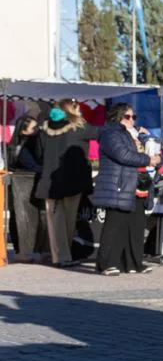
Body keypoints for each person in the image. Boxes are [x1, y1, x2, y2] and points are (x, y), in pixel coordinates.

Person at [91, 103, 160, 276]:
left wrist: (147, 139)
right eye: (128, 117)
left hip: (136, 185)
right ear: (118, 117)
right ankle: (106, 263)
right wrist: (147, 160)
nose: (132, 120)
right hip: (119, 185)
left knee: (136, 225)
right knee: (115, 225)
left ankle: (133, 262)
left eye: (133, 117)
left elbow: (153, 151)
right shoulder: (111, 134)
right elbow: (122, 155)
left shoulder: (135, 135)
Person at [35, 99, 100, 267]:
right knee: (69, 221)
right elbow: (100, 133)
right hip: (73, 180)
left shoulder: (44, 128)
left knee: (54, 221)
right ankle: (64, 256)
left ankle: (61, 256)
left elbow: (38, 152)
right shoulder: (79, 127)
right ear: (72, 109)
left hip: (50, 181)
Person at [6, 115, 47, 262]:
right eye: (34, 128)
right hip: (24, 183)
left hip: (23, 183)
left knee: (20, 217)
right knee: (24, 218)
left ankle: (23, 249)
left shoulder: (20, 144)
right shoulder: (24, 146)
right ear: (24, 131)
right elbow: (31, 164)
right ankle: (25, 250)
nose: (38, 130)